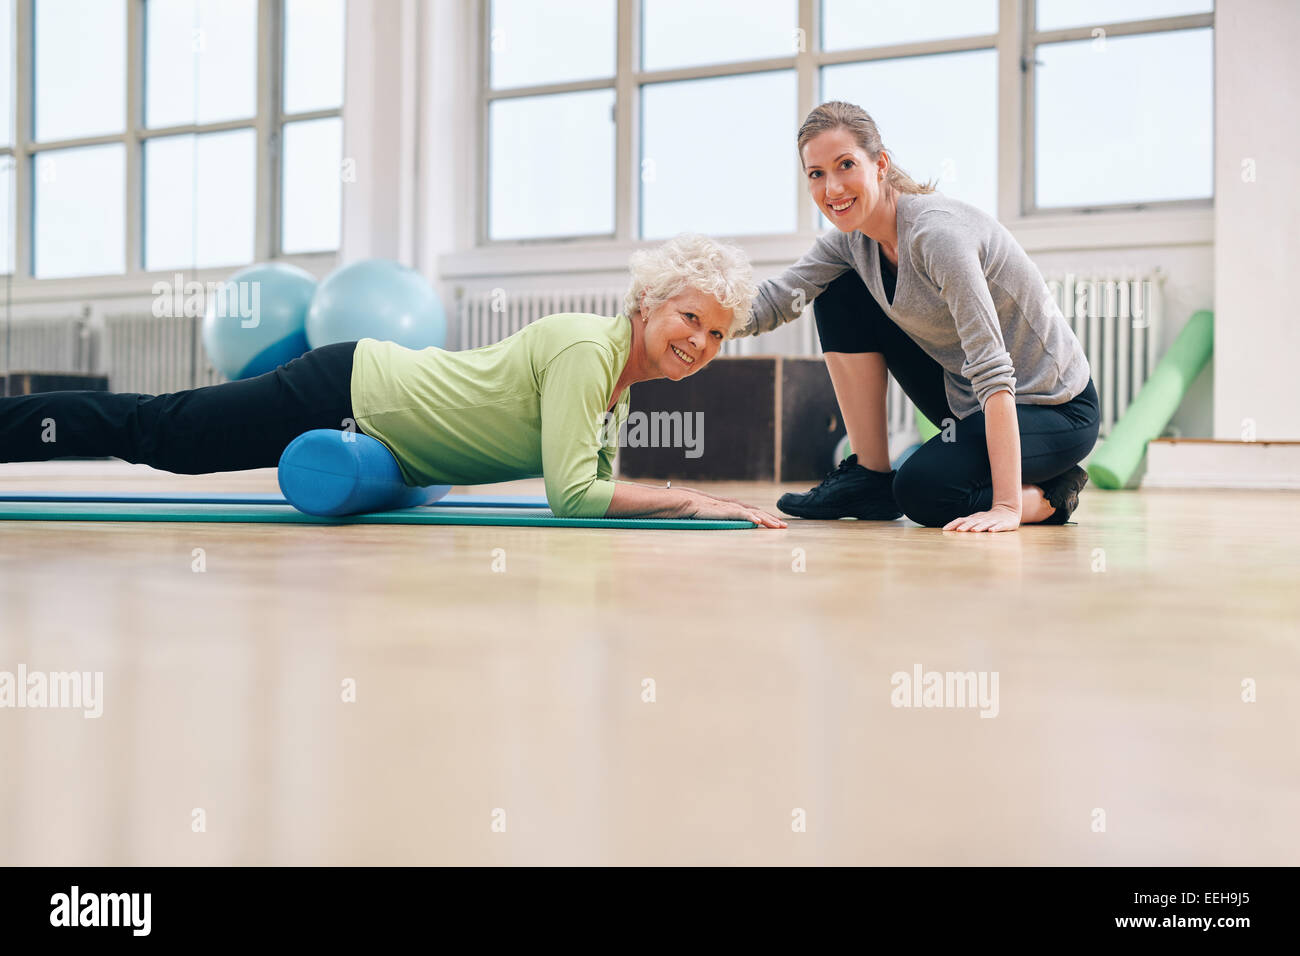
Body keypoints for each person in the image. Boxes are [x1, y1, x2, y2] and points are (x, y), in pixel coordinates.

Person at [0, 234, 786, 528]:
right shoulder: (589, 349)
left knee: (163, 433)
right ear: (648, 304)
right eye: (691, 318)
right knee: (161, 434)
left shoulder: (617, 380)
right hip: (348, 391)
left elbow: (589, 478)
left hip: (371, 417)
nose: (701, 340)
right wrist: (696, 498)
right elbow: (573, 494)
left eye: (717, 333)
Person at [740, 101, 1099, 532]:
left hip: (1053, 407)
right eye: (816, 174)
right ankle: (870, 477)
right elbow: (776, 300)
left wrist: (1006, 506)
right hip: (968, 400)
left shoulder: (938, 236)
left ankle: (1052, 495)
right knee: (836, 290)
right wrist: (692, 323)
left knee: (924, 492)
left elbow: (992, 367)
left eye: (846, 165)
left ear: (880, 165)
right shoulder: (850, 243)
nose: (832, 188)